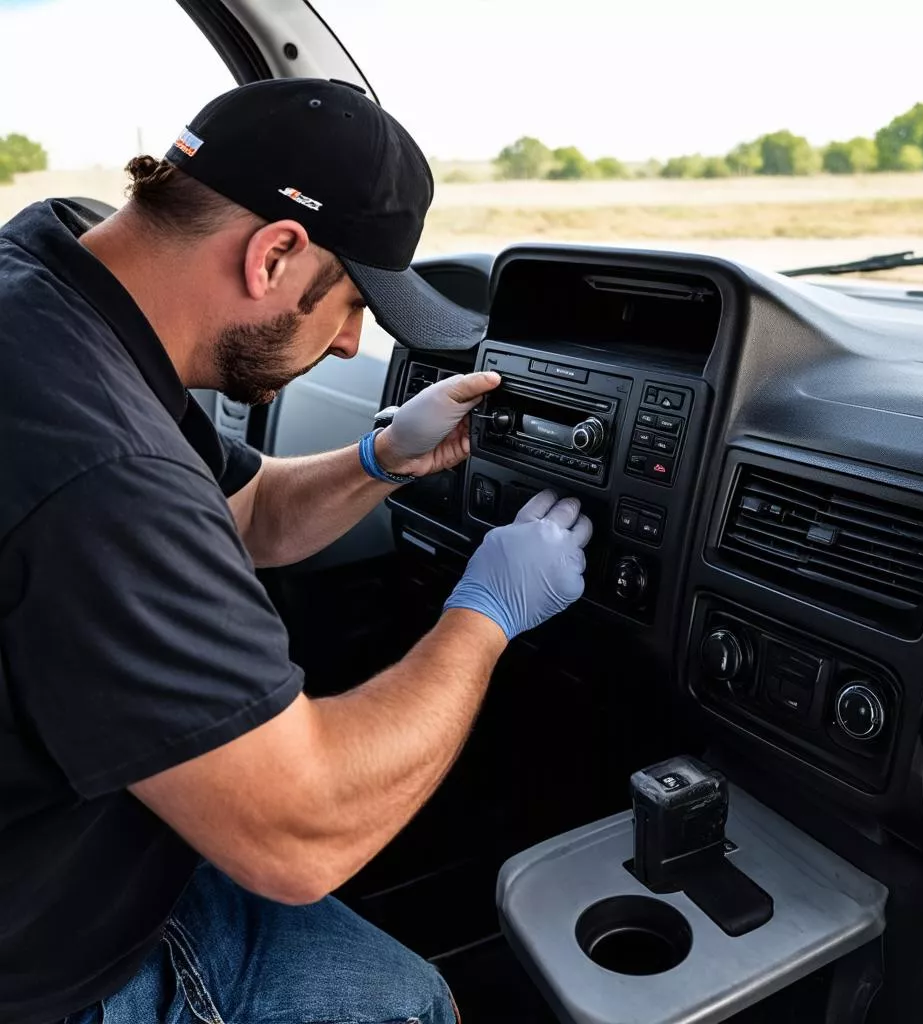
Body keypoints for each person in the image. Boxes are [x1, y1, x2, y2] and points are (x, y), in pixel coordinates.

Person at [0, 78, 592, 1024]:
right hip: (43, 965)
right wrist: (486, 615)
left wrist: (382, 457)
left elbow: (249, 513)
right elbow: (300, 834)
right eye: (354, 301)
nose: (355, 342)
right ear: (276, 254)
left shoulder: (52, 284)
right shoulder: (100, 463)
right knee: (404, 1003)